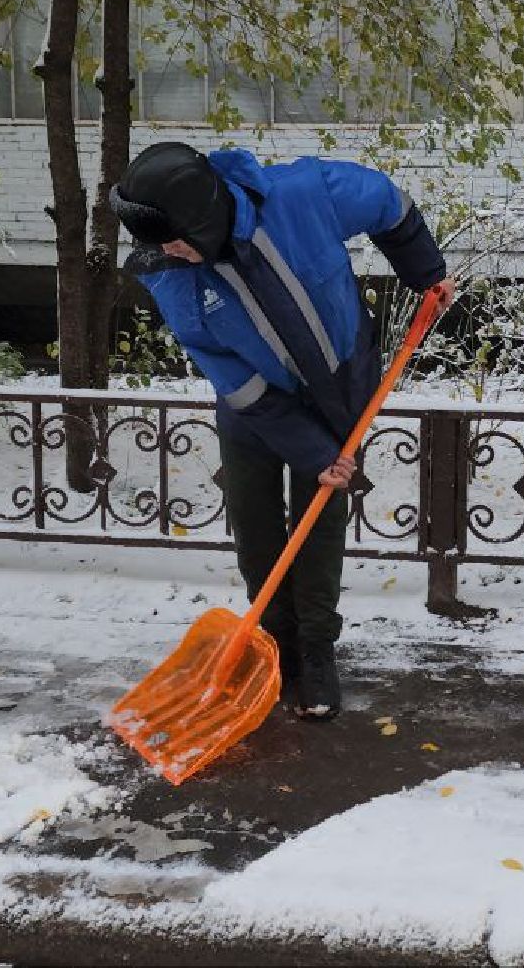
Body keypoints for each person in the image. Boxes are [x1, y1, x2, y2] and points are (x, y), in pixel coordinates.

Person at [108, 142, 452, 721]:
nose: (165, 252)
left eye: (171, 238)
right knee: (257, 526)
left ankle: (317, 649)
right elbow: (238, 382)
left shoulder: (300, 196)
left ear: (200, 216)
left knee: (317, 522)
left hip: (338, 385)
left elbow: (389, 204)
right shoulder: (174, 279)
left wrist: (427, 275)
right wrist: (313, 451)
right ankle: (277, 645)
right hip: (254, 412)